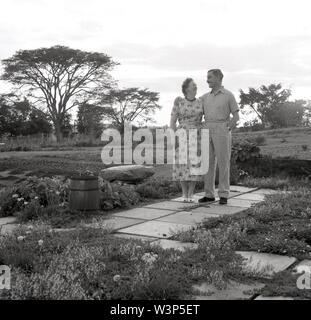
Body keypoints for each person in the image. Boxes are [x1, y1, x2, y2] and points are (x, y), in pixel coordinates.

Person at [199, 69, 240, 205]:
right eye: (207, 77)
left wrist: (228, 127)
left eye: (209, 77)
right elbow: (196, 113)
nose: (207, 80)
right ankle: (209, 194)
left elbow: (236, 116)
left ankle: (223, 194)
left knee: (223, 162)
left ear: (218, 78)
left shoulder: (228, 95)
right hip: (207, 129)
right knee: (208, 163)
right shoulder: (204, 97)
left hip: (222, 128)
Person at [170, 78, 204, 202]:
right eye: (193, 85)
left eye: (195, 84)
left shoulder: (201, 102)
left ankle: (191, 193)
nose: (196, 86)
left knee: (194, 164)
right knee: (182, 164)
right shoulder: (179, 102)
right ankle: (184, 193)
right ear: (186, 89)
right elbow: (172, 122)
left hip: (197, 135)